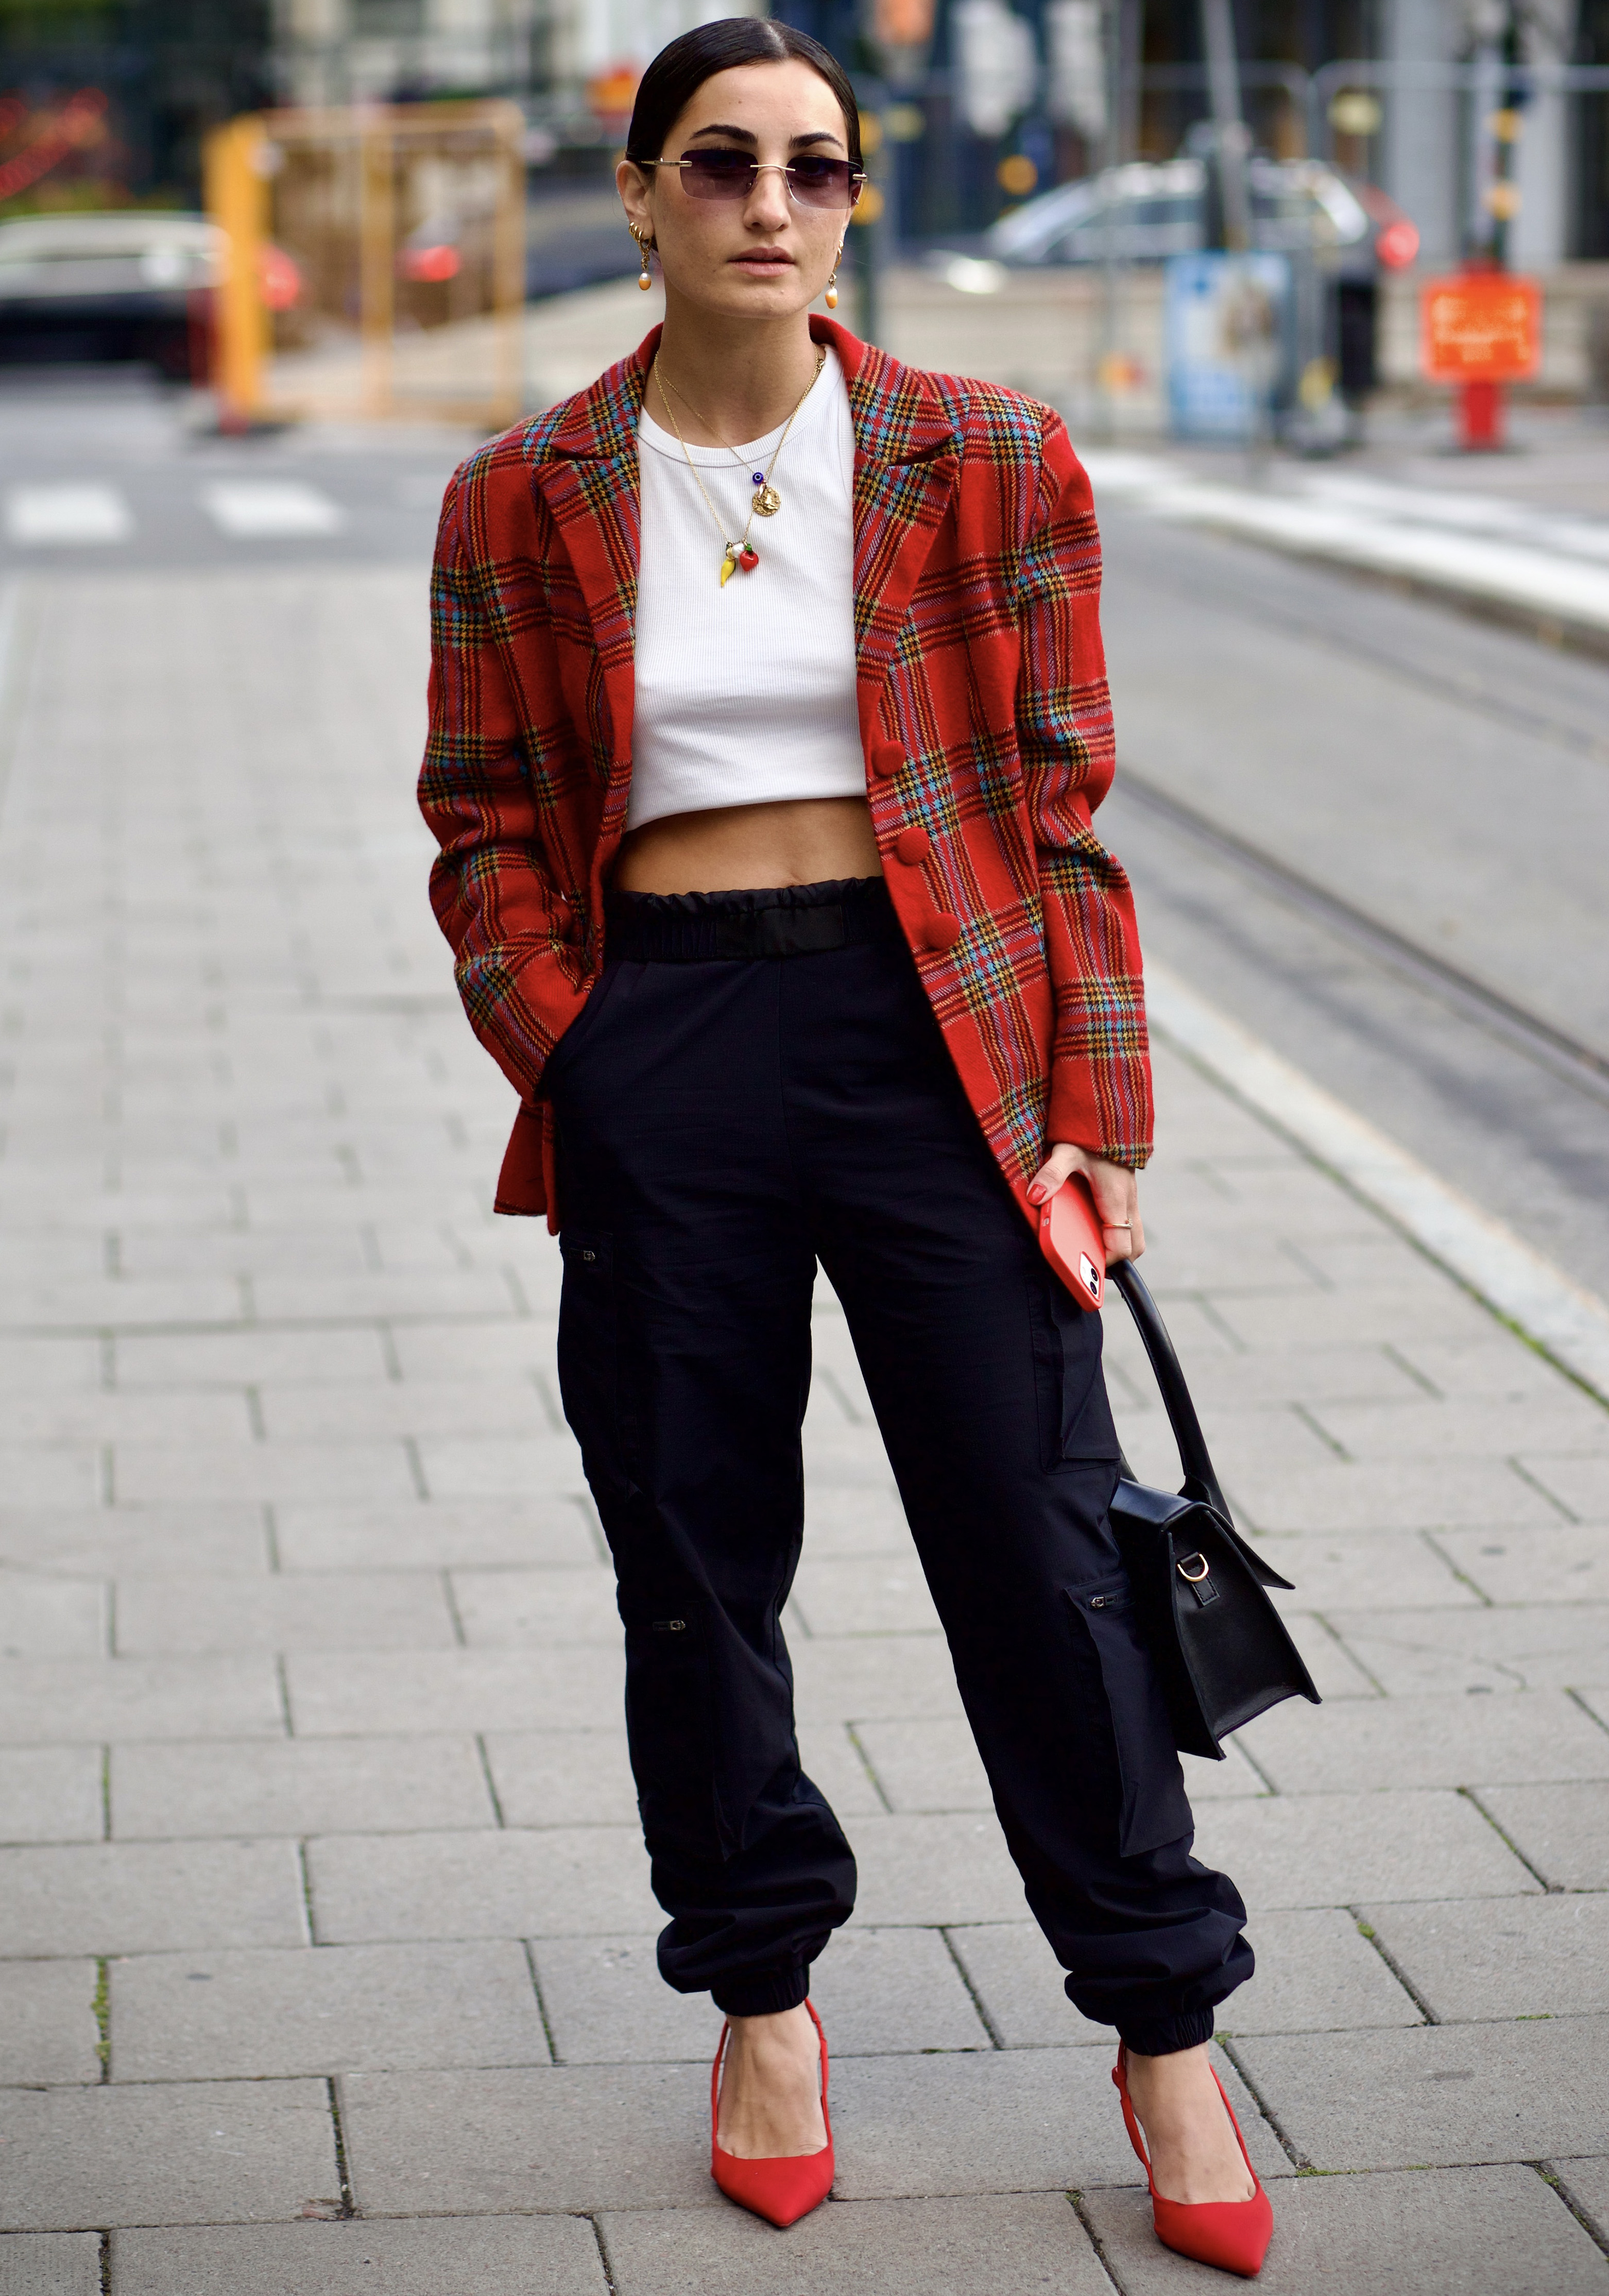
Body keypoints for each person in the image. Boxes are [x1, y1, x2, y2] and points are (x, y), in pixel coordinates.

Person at [418, 16, 1271, 2277]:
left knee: (1042, 1541)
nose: (768, 203)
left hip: (938, 1042)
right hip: (666, 1042)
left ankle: (1162, 2014)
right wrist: (573, 1044)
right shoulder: (522, 492)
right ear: (637, 195)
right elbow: (484, 817)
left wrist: (1094, 1115)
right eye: (720, 164)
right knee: (694, 1553)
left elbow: (1062, 806)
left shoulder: (984, 453)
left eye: (815, 166)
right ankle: (765, 1994)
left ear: (857, 202)